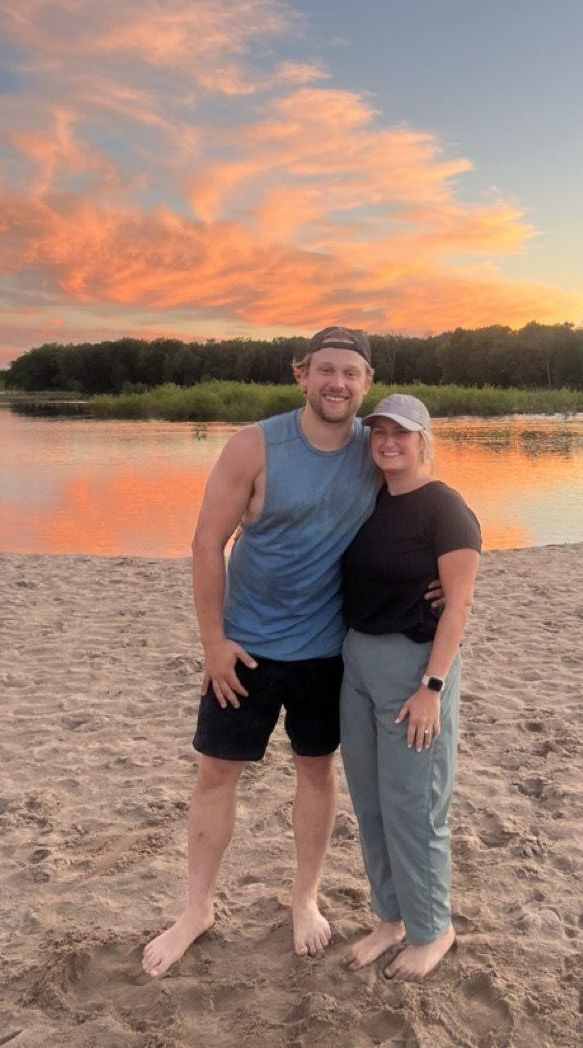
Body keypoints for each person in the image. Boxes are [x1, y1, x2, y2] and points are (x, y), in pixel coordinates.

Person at [143, 327, 440, 978]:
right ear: (302, 374)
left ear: (366, 383)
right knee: (217, 773)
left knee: (315, 770)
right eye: (326, 370)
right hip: (244, 648)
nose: (338, 383)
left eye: (352, 373)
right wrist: (214, 642)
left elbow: (423, 504)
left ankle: (303, 898)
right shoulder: (255, 446)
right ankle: (197, 908)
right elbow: (205, 543)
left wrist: (440, 573)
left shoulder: (376, 448)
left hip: (327, 650)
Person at [337, 394, 481, 980]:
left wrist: (433, 687)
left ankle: (432, 928)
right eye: (379, 433)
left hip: (414, 666)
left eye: (401, 433)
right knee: (370, 802)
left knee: (415, 806)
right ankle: (391, 919)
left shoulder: (444, 507)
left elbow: (460, 602)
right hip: (357, 663)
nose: (388, 442)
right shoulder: (367, 502)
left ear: (424, 439)